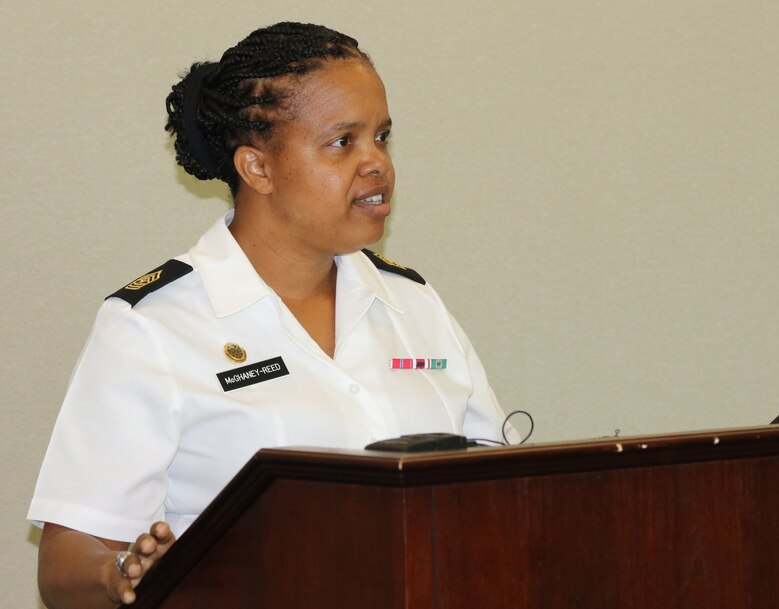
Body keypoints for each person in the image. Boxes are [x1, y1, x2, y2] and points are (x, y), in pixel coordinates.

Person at [28, 22, 515, 609]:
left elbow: (501, 489)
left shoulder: (414, 303)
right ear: (257, 169)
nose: (377, 164)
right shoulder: (154, 326)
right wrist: (123, 574)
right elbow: (66, 562)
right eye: (343, 142)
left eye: (382, 137)